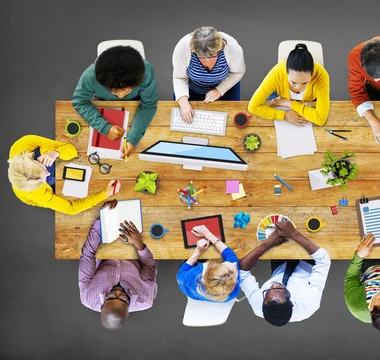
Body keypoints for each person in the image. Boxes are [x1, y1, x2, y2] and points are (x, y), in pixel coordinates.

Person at [78, 200, 158, 329]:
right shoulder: (145, 298)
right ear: (128, 308)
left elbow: (87, 254)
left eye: (110, 297)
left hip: (105, 243)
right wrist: (138, 243)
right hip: (133, 245)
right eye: (122, 297)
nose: (117, 292)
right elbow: (149, 266)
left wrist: (102, 218)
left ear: (102, 304)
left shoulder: (89, 296)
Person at [239, 221, 331, 326]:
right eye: (280, 289)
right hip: (309, 262)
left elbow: (242, 270)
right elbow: (323, 260)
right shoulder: (309, 301)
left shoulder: (258, 304)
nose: (274, 285)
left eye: (269, 290)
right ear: (291, 303)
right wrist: (294, 234)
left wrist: (269, 242)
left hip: (280, 266)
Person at [72, 45, 158, 158]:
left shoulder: (146, 72)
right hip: (103, 102)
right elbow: (79, 101)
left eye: (126, 91)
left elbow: (149, 105)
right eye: (114, 91)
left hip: (136, 100)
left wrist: (133, 138)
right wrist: (104, 128)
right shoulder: (90, 76)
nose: (121, 96)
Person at [8, 135, 120, 215]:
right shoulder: (36, 192)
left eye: (43, 168)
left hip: (45, 159)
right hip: (43, 192)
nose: (48, 173)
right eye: (43, 179)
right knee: (52, 182)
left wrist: (55, 153)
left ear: (33, 160)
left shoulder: (25, 143)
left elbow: (72, 150)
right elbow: (71, 209)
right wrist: (105, 193)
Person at [173, 26, 246, 123]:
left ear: (219, 48)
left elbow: (238, 72)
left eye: (211, 55)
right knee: (185, 123)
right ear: (193, 50)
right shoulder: (183, 46)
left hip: (225, 88)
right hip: (191, 89)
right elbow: (179, 78)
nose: (207, 60)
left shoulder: (232, 46)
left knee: (229, 123)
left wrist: (219, 90)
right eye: (201, 56)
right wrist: (183, 103)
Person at [248, 43, 330, 126]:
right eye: (293, 82)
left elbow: (320, 119)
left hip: (306, 100)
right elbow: (253, 107)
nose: (298, 88)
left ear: (312, 75)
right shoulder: (277, 73)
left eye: (304, 83)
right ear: (286, 73)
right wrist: (285, 115)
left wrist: (289, 103)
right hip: (280, 96)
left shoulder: (321, 75)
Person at [177, 225, 240, 302]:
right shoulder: (232, 293)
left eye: (225, 264)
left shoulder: (193, 275)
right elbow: (231, 257)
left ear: (212, 268)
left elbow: (180, 274)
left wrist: (198, 251)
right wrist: (208, 235)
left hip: (190, 291)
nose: (234, 264)